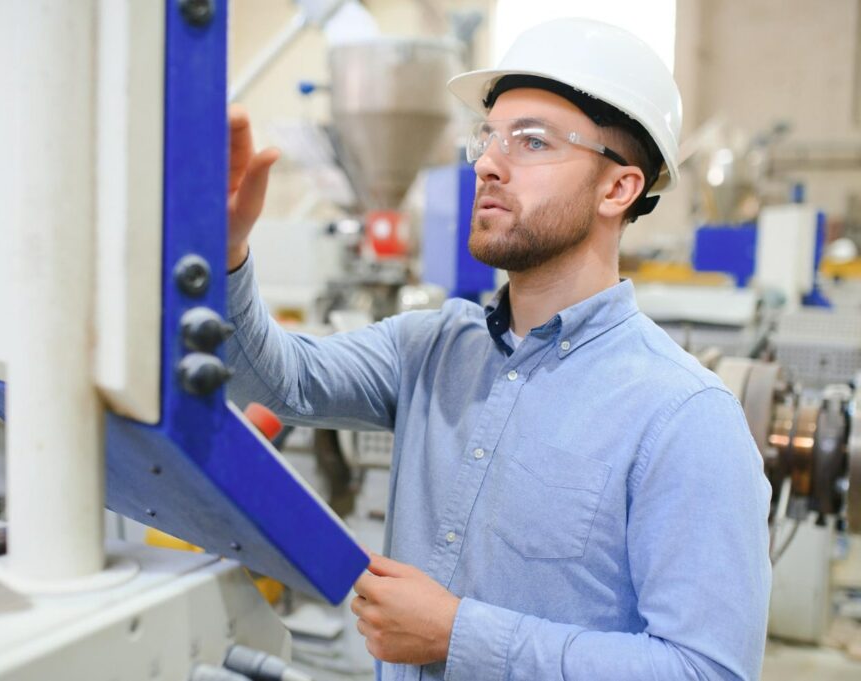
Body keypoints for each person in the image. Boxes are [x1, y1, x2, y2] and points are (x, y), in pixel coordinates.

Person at [224, 17, 771, 681]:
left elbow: (707, 669)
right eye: (487, 137)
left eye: (532, 141)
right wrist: (226, 256)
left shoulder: (684, 416)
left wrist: (458, 633)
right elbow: (282, 382)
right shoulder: (429, 348)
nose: (486, 162)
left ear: (618, 187)